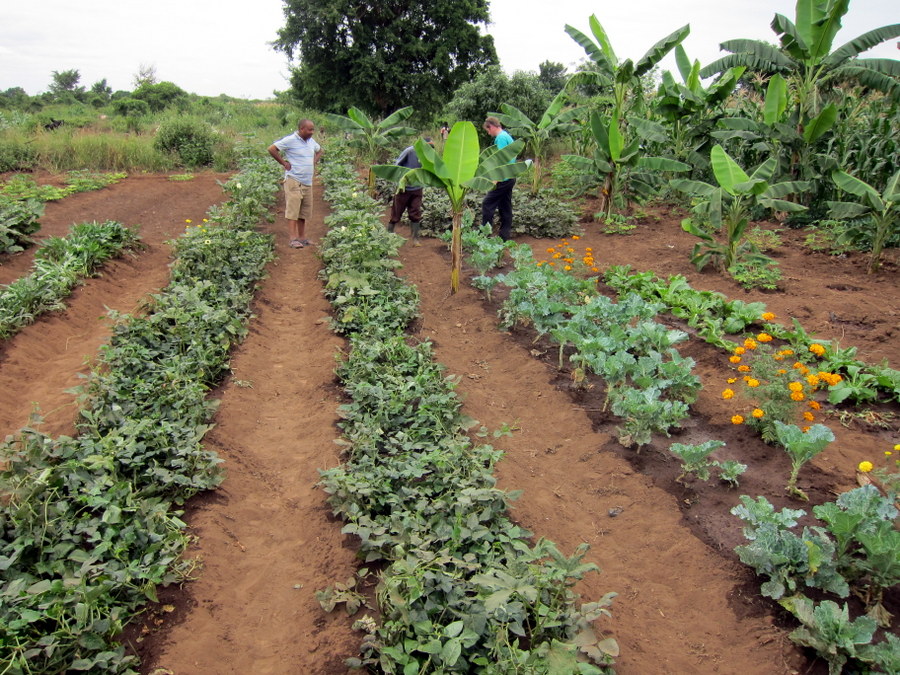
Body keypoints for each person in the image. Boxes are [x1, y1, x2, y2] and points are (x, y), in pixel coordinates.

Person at [268, 119, 323, 249]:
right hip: (294, 179)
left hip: (307, 181)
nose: (312, 132)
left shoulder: (311, 141)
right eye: (309, 129)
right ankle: (293, 239)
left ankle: (302, 238)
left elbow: (320, 150)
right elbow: (271, 149)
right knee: (293, 210)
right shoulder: (290, 140)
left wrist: (314, 161)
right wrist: (284, 163)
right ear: (301, 129)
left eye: (313, 129)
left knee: (303, 211)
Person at [388, 137, 434, 245]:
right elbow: (397, 165)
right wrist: (399, 181)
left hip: (417, 188)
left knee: (415, 212)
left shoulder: (428, 155)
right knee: (396, 213)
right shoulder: (410, 151)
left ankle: (415, 239)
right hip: (404, 188)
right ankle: (388, 235)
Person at [481, 116, 516, 241]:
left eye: (487, 130)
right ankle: (504, 235)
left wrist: (496, 178)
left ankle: (485, 234)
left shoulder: (500, 138)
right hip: (510, 176)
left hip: (503, 178)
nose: (488, 133)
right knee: (505, 206)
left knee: (487, 203)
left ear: (491, 126)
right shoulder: (506, 136)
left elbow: (500, 159)